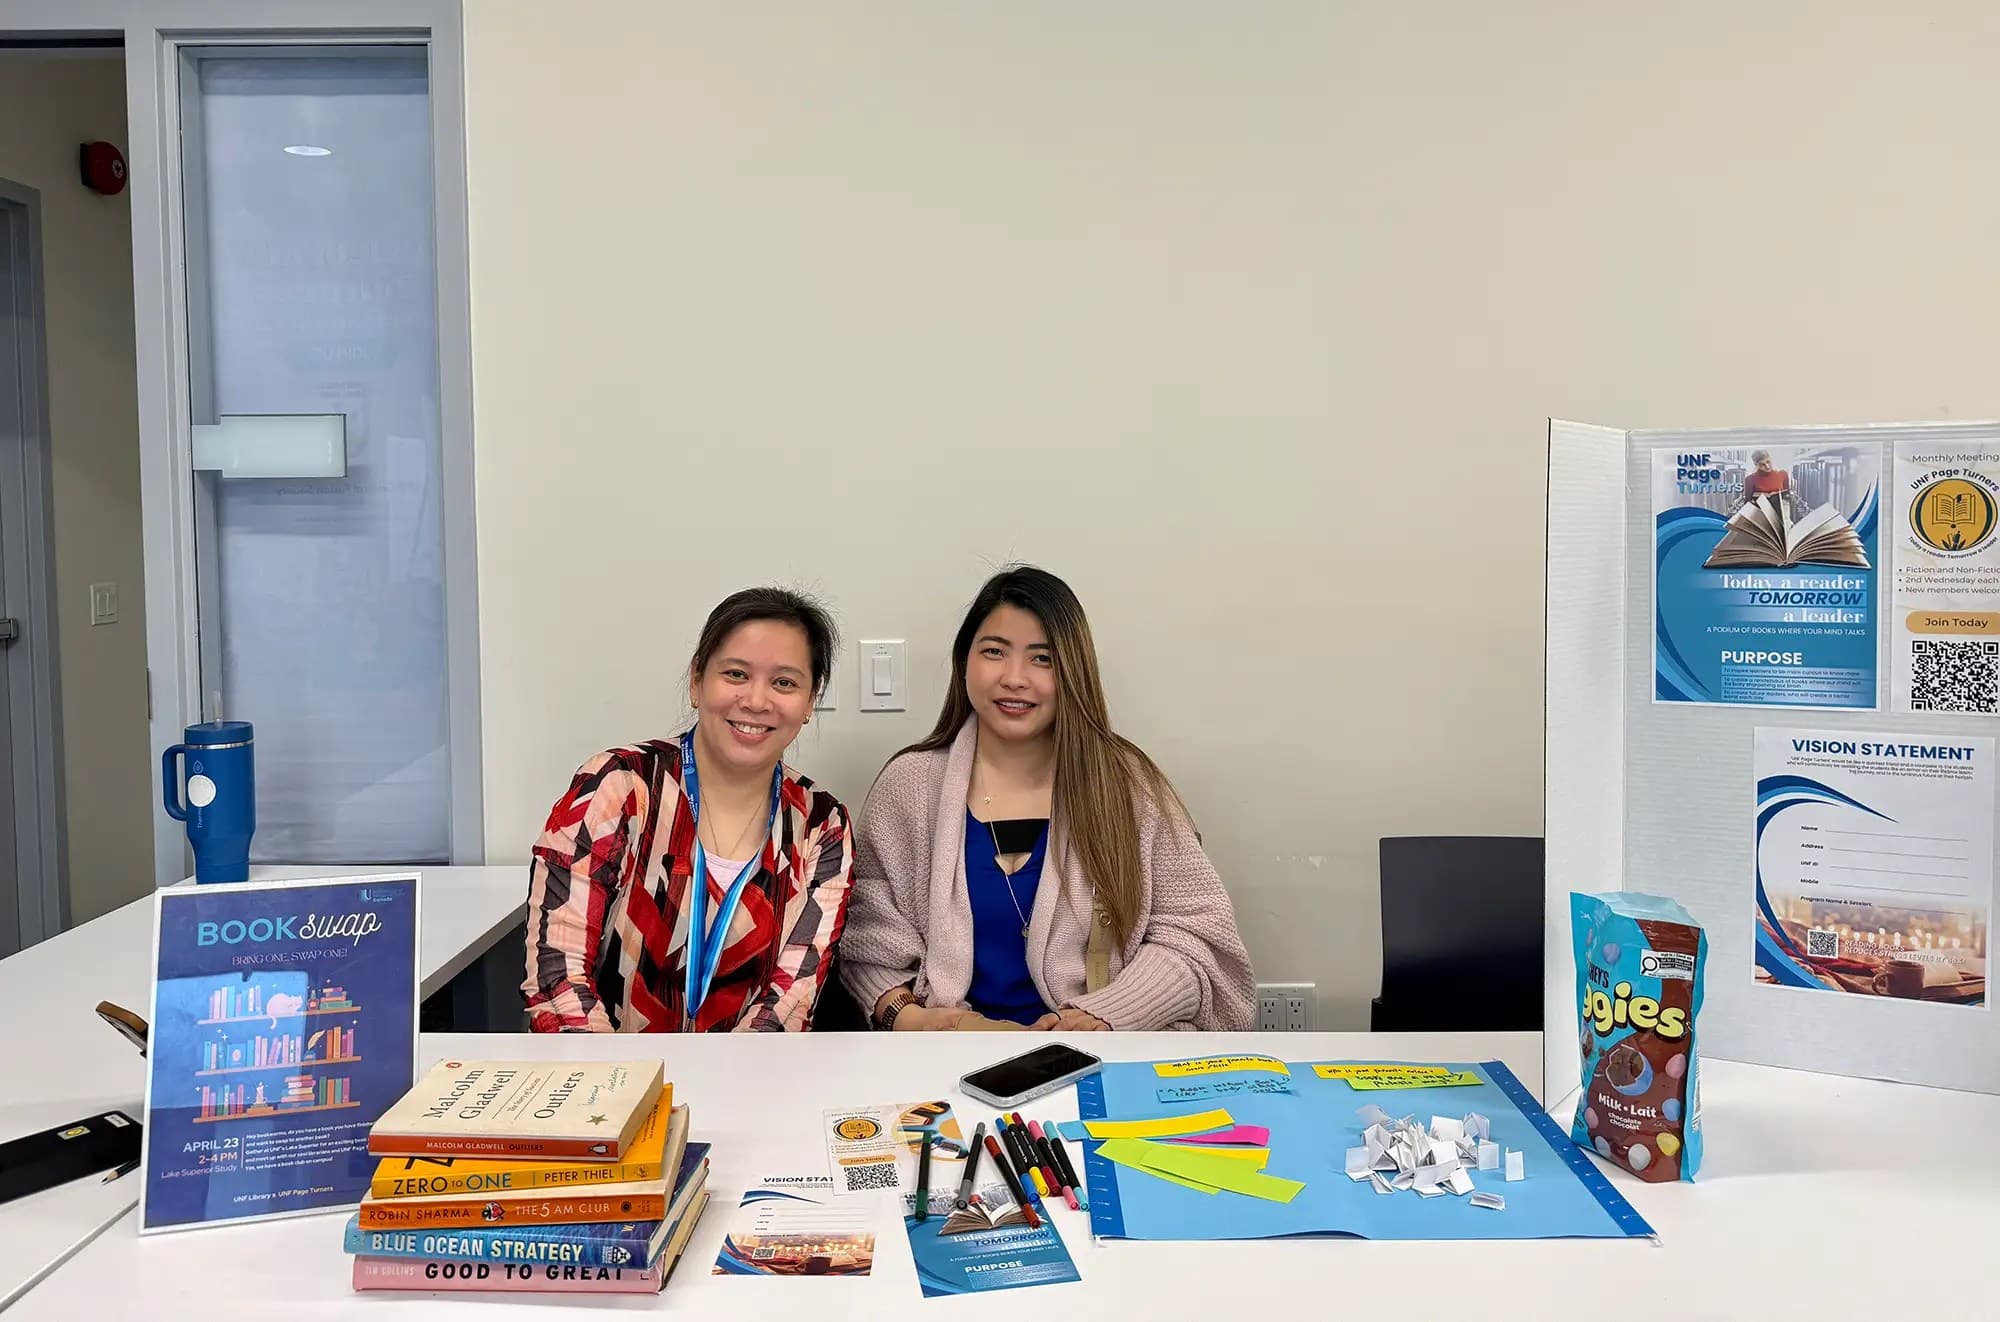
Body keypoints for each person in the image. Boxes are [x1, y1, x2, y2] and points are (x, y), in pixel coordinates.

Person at [839, 566, 1256, 1032]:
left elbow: (1195, 934)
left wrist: (1104, 1016)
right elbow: (866, 941)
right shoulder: (910, 786)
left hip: (1099, 1056)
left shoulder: (1127, 786)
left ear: (1073, 671)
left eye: (1042, 659)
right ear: (964, 663)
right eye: (994, 652)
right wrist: (913, 1019)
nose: (1014, 678)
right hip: (947, 1058)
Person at [522, 588, 854, 1032]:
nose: (757, 701)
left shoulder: (822, 826)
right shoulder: (620, 787)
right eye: (736, 674)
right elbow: (558, 980)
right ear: (697, 681)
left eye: (785, 683)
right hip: (602, 1083)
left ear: (810, 702)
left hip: (753, 1081)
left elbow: (789, 1004)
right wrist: (627, 1094)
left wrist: (731, 1093)